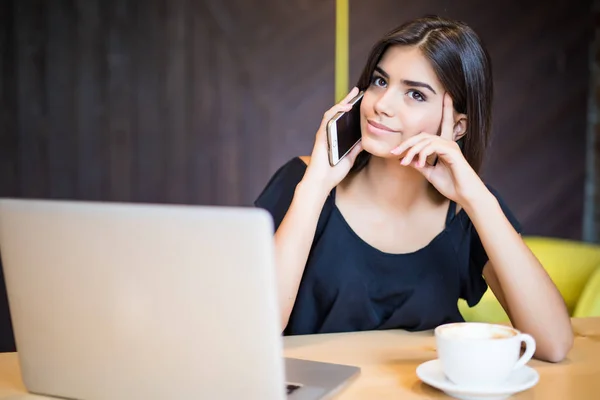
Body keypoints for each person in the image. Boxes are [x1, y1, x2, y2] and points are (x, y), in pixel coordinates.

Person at [254, 15, 573, 362]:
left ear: (458, 125)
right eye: (379, 81)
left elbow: (553, 344)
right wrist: (315, 185)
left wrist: (476, 197)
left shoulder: (467, 212)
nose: (382, 105)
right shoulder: (302, 182)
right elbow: (253, 330)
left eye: (415, 94)